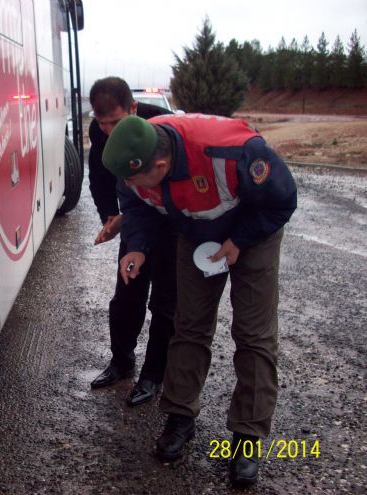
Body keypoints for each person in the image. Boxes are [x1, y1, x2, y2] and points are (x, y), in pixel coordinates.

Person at [102, 114, 297, 487]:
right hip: (194, 232)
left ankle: (248, 438)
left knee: (253, 335)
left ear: (160, 165)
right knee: (189, 325)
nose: (126, 184)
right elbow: (136, 204)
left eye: (133, 178)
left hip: (252, 233)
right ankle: (180, 415)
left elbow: (282, 201)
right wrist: (139, 248)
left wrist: (240, 240)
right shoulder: (134, 162)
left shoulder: (236, 153)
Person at [88, 76, 177, 407]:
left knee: (166, 303)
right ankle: (122, 361)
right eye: (103, 122)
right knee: (126, 295)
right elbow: (99, 175)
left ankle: (154, 375)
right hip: (136, 218)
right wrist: (110, 216)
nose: (110, 130)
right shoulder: (100, 132)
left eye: (117, 121)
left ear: (134, 109)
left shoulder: (161, 129)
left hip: (172, 223)